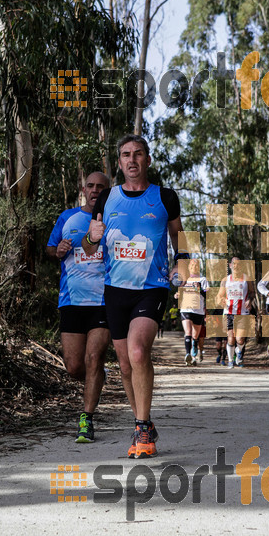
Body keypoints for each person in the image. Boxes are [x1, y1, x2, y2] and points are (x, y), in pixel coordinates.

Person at [82, 134, 184, 458]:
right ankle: (145, 420)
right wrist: (90, 236)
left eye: (138, 154)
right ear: (120, 162)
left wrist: (181, 267)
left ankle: (141, 431)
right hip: (115, 290)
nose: (132, 160)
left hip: (151, 288)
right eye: (125, 154)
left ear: (148, 160)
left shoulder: (165, 198)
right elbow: (89, 246)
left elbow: (180, 242)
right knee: (125, 365)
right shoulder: (106, 199)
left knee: (139, 352)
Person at [46, 171, 110, 442]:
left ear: (107, 191)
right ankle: (98, 375)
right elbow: (50, 249)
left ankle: (86, 420)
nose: (95, 190)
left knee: (93, 358)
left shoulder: (114, 218)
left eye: (101, 187)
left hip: (104, 301)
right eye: (91, 186)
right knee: (74, 367)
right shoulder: (67, 217)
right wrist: (58, 250)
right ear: (83, 188)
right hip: (71, 300)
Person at [216, 256, 255, 368]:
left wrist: (249, 300)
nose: (236, 266)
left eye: (238, 264)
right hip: (229, 312)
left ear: (241, 266)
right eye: (234, 264)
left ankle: (239, 353)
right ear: (230, 265)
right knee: (231, 338)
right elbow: (219, 296)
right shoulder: (225, 280)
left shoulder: (247, 279)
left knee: (240, 339)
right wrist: (221, 300)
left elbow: (252, 293)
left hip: (243, 313)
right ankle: (230, 361)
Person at [177, 259, 208, 365]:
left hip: (198, 310)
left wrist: (201, 290)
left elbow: (208, 295)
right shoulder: (184, 279)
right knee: (188, 332)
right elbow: (179, 292)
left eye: (196, 265)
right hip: (186, 309)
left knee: (195, 336)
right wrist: (177, 295)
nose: (194, 267)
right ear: (189, 267)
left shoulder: (203, 279)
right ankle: (187, 355)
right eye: (192, 265)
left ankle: (194, 353)